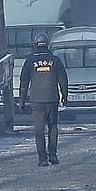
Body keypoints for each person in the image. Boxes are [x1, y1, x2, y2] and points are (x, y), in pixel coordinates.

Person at [19, 33, 68, 167]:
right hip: (52, 98)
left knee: (39, 129)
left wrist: (21, 101)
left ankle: (42, 158)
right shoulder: (55, 60)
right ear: (48, 44)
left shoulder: (29, 61)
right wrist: (65, 95)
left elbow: (24, 82)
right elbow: (63, 79)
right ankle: (53, 155)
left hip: (37, 100)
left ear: (35, 44)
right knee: (53, 126)